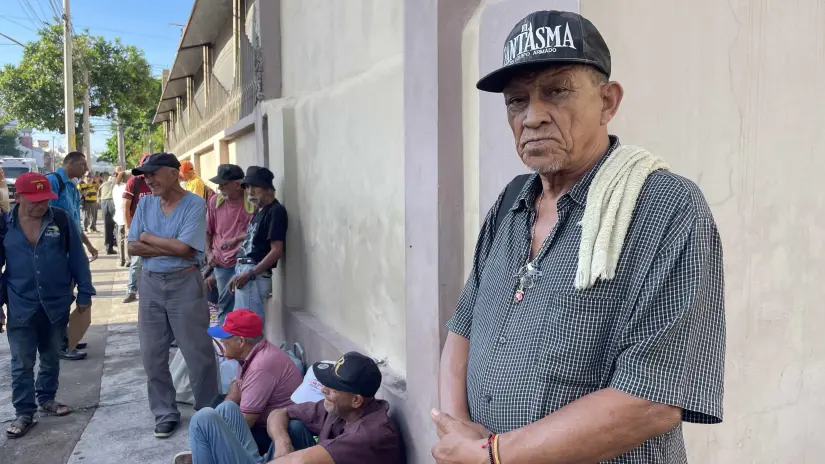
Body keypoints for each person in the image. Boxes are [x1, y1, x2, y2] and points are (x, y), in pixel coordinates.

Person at [432, 11, 725, 464]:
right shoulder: (511, 204)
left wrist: (492, 454)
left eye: (556, 91)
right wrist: (456, 431)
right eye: (516, 100)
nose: (532, 117)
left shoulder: (664, 208)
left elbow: (654, 398)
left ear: (608, 101)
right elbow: (464, 326)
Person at [127, 152, 219, 439]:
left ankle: (207, 412)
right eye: (145, 175)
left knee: (197, 353)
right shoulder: (145, 204)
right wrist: (167, 245)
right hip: (151, 282)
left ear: (173, 173)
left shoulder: (194, 203)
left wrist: (149, 238)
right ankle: (165, 412)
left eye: (153, 173)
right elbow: (132, 247)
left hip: (185, 283)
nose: (148, 180)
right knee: (152, 354)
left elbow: (185, 251)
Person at [173, 352, 402, 464]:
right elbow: (279, 412)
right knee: (228, 411)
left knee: (204, 419)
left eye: (331, 389)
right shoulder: (341, 409)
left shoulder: (368, 434)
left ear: (356, 400)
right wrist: (282, 443)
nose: (323, 390)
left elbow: (301, 461)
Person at [0, 173, 95, 438]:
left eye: (45, 200)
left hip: (56, 303)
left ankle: (47, 398)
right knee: (21, 362)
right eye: (34, 201)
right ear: (17, 197)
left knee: (52, 356)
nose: (41, 206)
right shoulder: (4, 225)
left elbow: (78, 258)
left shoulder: (60, 220)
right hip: (21, 305)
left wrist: (86, 294)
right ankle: (24, 412)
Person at [172, 309, 302, 463]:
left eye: (225, 338)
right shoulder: (252, 353)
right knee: (225, 408)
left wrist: (216, 439)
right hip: (266, 426)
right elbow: (237, 389)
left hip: (271, 432)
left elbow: (247, 420)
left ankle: (208, 454)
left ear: (241, 342)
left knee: (203, 419)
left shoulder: (261, 365)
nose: (221, 341)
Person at [47, 151, 98, 361]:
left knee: (69, 294)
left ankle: (67, 337)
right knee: (60, 297)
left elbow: (74, 223)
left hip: (72, 250)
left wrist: (88, 246)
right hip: (57, 252)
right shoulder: (53, 182)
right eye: (83, 165)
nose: (86, 170)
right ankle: (59, 345)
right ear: (71, 163)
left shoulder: (72, 187)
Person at [225, 167, 287, 323]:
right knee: (240, 327)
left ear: (268, 189)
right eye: (247, 187)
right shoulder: (261, 211)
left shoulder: (276, 211)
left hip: (254, 275)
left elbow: (276, 251)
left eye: (255, 186)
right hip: (246, 272)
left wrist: (250, 273)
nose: (250, 191)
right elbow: (256, 237)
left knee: (248, 329)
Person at [204, 164, 255, 323]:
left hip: (245, 263)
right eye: (219, 184)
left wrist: (236, 240)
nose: (220, 188)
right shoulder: (215, 202)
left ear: (237, 184)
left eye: (224, 184)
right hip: (222, 263)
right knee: (225, 305)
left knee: (245, 308)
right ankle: (226, 345)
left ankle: (244, 344)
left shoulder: (251, 203)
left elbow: (256, 233)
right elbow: (208, 231)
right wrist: (209, 253)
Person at [122, 154, 153, 303]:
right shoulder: (134, 182)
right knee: (137, 261)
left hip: (157, 228)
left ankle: (150, 290)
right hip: (138, 228)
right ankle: (132, 290)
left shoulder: (158, 182)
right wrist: (129, 227)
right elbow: (126, 206)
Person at [98, 170, 118, 254]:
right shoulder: (116, 181)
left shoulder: (102, 185)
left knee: (107, 226)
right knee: (117, 225)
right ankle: (118, 245)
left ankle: (108, 247)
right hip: (112, 201)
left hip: (104, 202)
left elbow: (98, 198)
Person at [112, 170, 129, 267]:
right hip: (126, 217)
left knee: (120, 239)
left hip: (118, 217)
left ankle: (121, 259)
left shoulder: (116, 188)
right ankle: (127, 259)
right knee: (127, 238)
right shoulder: (127, 187)